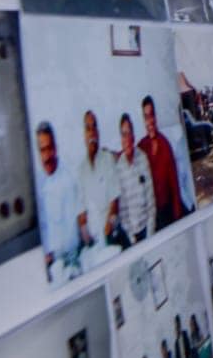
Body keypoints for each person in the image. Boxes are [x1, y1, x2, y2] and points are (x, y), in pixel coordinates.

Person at [35, 121, 86, 280]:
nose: (47, 156)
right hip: (51, 265)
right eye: (43, 150)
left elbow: (81, 218)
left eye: (50, 149)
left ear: (55, 148)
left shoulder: (68, 177)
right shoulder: (37, 184)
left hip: (74, 258)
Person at [138, 96, 188, 229]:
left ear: (155, 116)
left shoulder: (165, 145)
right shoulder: (142, 146)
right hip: (151, 214)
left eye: (151, 115)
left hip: (167, 212)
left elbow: (174, 185)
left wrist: (177, 216)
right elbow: (129, 154)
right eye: (146, 116)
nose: (149, 121)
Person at [78, 110, 116, 268]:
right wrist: (87, 239)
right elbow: (81, 215)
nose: (92, 132)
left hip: (111, 236)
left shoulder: (108, 160)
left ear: (98, 132)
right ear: (84, 135)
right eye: (88, 128)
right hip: (93, 244)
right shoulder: (81, 170)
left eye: (94, 127)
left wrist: (110, 225)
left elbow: (115, 203)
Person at [114, 112, 155, 246]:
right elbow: (123, 211)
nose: (127, 139)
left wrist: (150, 235)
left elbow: (151, 201)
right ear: (120, 138)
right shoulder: (118, 168)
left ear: (133, 136)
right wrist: (132, 239)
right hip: (131, 237)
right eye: (123, 134)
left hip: (147, 230)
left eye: (129, 133)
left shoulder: (143, 159)